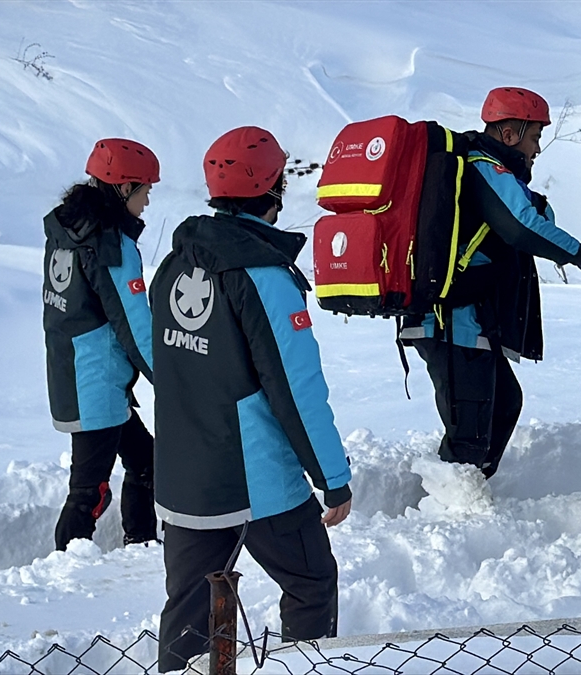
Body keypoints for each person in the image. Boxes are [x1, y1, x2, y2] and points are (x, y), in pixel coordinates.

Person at [150, 126, 353, 672]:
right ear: (274, 188)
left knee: (190, 610)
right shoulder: (261, 275)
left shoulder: (174, 265)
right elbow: (296, 387)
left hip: (185, 474)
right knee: (311, 583)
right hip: (254, 477)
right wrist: (331, 475)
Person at [401, 87, 581, 479]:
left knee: (505, 403)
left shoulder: (490, 172)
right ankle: (449, 516)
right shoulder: (483, 166)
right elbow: (520, 225)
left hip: (468, 320)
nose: (537, 150)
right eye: (535, 137)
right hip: (450, 320)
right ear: (509, 135)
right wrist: (575, 251)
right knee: (470, 431)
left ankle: (471, 488)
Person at [42, 138, 160, 551]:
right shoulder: (110, 244)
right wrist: (169, 380)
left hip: (72, 371)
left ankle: (142, 545)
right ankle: (65, 571)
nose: (147, 203)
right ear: (123, 187)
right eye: (145, 191)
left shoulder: (67, 228)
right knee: (89, 492)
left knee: (147, 462)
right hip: (96, 383)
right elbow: (133, 323)